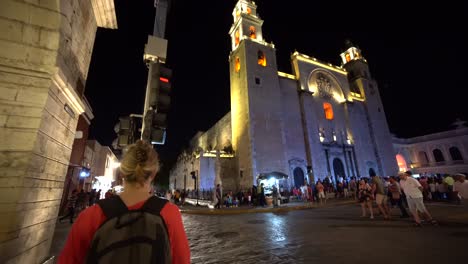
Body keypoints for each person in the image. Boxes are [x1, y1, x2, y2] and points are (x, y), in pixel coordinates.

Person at [59, 140, 190, 263]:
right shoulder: (169, 213)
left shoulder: (91, 216)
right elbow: (182, 260)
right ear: (154, 174)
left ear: (122, 172)